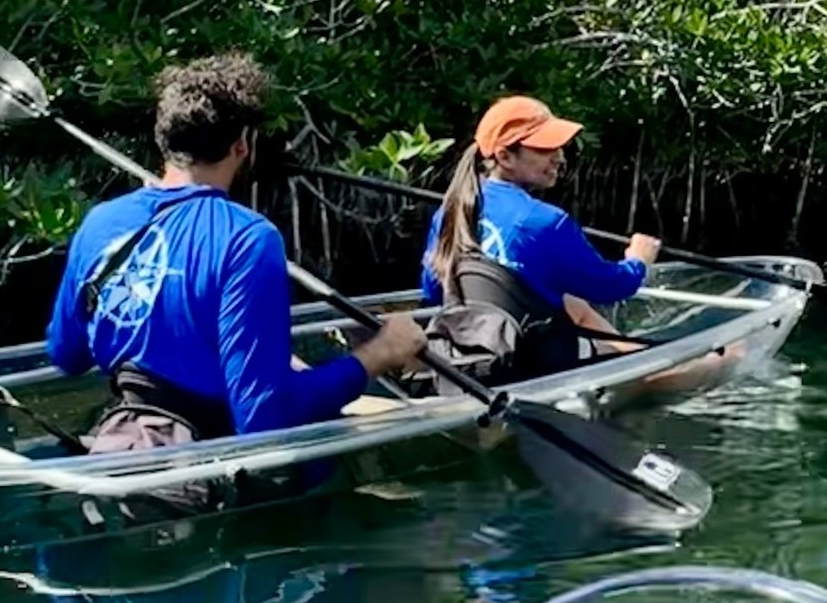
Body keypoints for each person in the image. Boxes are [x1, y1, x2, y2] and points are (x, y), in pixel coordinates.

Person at [45, 53, 424, 448]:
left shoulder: (100, 222)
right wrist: (378, 355)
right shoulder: (249, 238)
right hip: (215, 465)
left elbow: (67, 355)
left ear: (163, 139)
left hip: (124, 442)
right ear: (242, 145)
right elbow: (265, 418)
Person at [417, 95, 661, 381]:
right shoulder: (545, 221)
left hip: (470, 352)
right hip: (536, 361)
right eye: (545, 148)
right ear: (505, 156)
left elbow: (433, 291)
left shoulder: (449, 213)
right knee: (709, 363)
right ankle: (673, 369)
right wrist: (638, 261)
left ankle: (634, 355)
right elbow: (612, 286)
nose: (559, 156)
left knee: (574, 305)